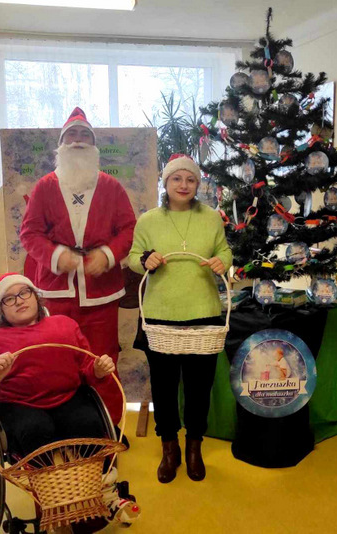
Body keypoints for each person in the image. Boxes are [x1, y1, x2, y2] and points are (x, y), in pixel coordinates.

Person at [20, 107, 136, 421]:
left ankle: (108, 428)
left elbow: (128, 229)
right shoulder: (45, 186)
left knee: (103, 361)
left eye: (85, 135)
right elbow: (30, 233)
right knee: (58, 360)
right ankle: (63, 427)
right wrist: (57, 256)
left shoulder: (111, 187)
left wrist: (107, 255)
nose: (78, 140)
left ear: (94, 145)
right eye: (71, 135)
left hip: (101, 295)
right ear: (61, 144)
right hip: (56, 294)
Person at [129, 154, 232, 483]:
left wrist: (222, 261)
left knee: (200, 387)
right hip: (160, 315)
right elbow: (132, 257)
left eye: (190, 179)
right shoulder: (148, 221)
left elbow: (224, 250)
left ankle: (194, 446)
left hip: (204, 313)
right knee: (163, 387)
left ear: (198, 184)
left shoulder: (212, 218)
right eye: (176, 179)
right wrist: (145, 259)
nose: (183, 185)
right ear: (165, 183)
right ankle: (169, 446)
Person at [0, 273, 118, 456]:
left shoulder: (65, 325)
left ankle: (91, 470)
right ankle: (45, 474)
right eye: (9, 299)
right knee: (35, 429)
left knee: (88, 423)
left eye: (24, 292)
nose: (19, 301)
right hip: (18, 404)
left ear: (35, 296)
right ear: (1, 310)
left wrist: (97, 370)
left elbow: (86, 368)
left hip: (68, 397)